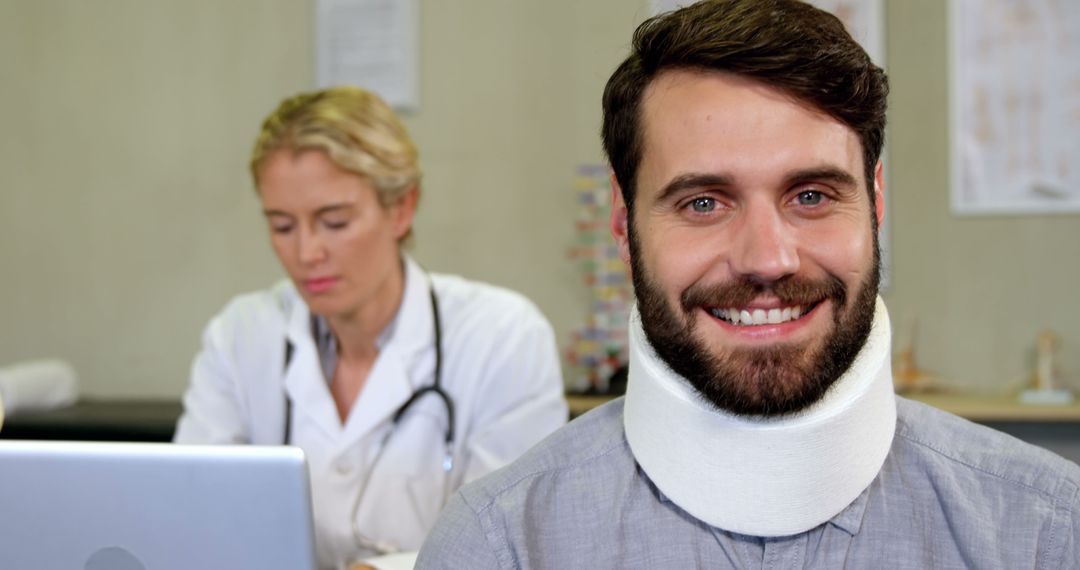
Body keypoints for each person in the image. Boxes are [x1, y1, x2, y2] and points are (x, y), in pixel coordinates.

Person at [415, 1, 1080, 567]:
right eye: (703, 203)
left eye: (812, 195)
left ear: (875, 203)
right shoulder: (499, 546)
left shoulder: (1047, 534)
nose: (767, 259)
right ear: (623, 223)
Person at [173, 86, 568, 570]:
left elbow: (510, 544)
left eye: (334, 222)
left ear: (401, 208)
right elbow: (193, 517)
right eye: (281, 226)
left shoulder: (502, 337)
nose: (306, 253)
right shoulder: (238, 336)